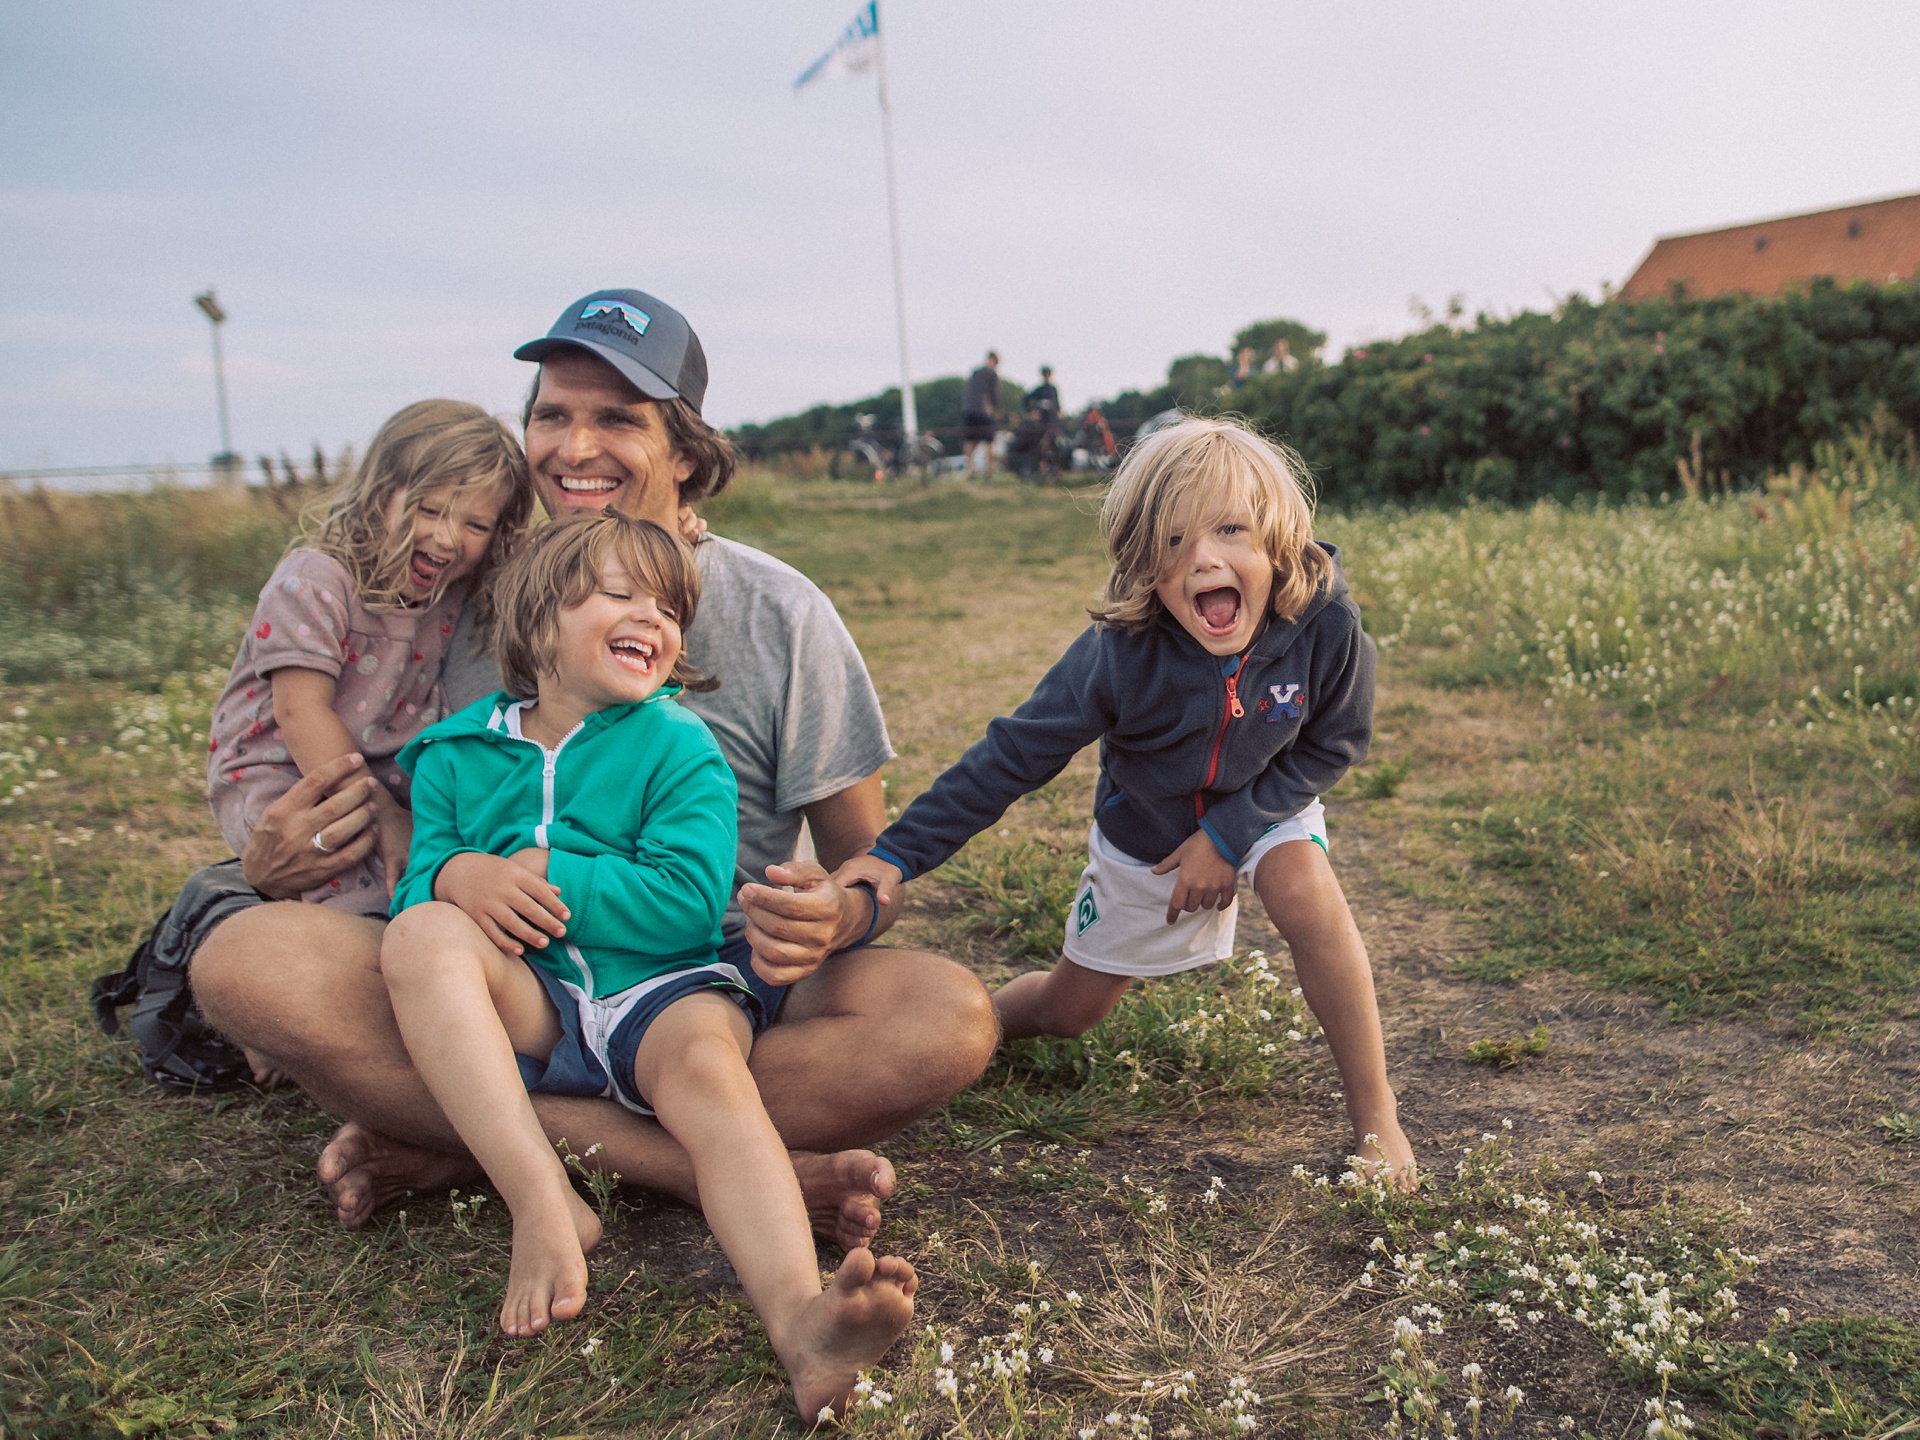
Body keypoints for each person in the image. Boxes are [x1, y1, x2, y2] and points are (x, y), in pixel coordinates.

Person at [185, 288, 1000, 1252]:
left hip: (700, 987)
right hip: (503, 981)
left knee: (946, 1019)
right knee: (243, 963)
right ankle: (695, 1166)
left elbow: (869, 864)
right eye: (552, 414)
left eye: (617, 418)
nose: (574, 448)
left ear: (687, 451)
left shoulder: (783, 612)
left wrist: (838, 914)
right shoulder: (475, 597)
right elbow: (401, 821)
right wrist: (280, 861)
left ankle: (463, 1138)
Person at [382, 511, 915, 1417]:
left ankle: (802, 1324)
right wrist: (456, 873)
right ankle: (542, 1199)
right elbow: (413, 890)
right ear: (538, 617)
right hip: (536, 995)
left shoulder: (678, 746)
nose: (656, 620)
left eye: (671, 609)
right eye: (622, 596)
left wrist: (561, 875)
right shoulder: (455, 753)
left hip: (665, 988)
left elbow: (686, 899)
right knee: (418, 938)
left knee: (709, 1073)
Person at [837, 415, 1417, 1186]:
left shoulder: (1327, 621)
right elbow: (1013, 756)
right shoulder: (1121, 652)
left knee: (1306, 889)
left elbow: (1334, 743)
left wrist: (1230, 831)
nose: (1204, 557)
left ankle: (1377, 1115)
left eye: (1231, 529)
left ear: (1279, 538)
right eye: (1172, 543)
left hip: (1266, 799)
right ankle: (988, 1027)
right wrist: (894, 855)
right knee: (1070, 1012)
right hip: (1146, 831)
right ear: (1143, 563)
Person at [205, 400, 533, 916]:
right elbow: (301, 712)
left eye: (476, 525)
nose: (446, 538)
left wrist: (673, 524)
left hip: (384, 783)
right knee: (352, 884)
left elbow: (558, 562)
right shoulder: (316, 581)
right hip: (290, 776)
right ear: (381, 492)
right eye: (428, 509)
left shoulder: (454, 589)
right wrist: (376, 807)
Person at [961, 350, 1001, 478]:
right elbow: (993, 395)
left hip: (969, 410)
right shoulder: (992, 374)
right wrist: (995, 410)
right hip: (984, 412)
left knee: (969, 440)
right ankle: (988, 471)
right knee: (989, 441)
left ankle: (969, 469)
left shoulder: (975, 372)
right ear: (994, 360)